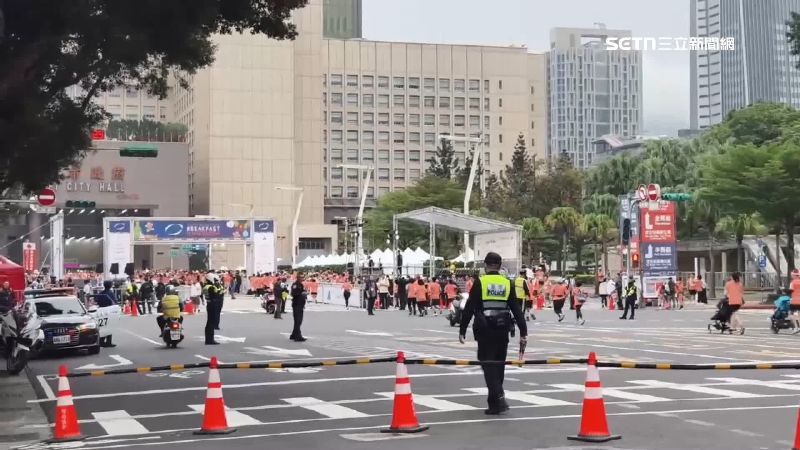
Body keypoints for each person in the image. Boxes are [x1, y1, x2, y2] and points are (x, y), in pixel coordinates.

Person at [458, 252, 527, 415]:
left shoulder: (481, 282)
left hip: (485, 329)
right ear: (500, 265)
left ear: (485, 265)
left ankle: (499, 396)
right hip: (503, 328)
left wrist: (462, 330)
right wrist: (523, 331)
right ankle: (494, 403)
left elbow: (469, 307)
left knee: (487, 362)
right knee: (498, 364)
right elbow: (516, 309)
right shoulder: (506, 282)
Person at [203, 273, 224, 345]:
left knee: (209, 322)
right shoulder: (211, 287)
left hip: (209, 304)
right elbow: (215, 296)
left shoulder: (206, 286)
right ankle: (210, 340)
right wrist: (219, 293)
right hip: (213, 304)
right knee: (211, 323)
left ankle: (208, 339)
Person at [289, 273, 308, 341]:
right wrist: (301, 293)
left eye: (303, 277)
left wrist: (304, 293)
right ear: (298, 278)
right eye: (301, 277)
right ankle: (298, 336)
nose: (302, 278)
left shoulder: (301, 285)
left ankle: (293, 335)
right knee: (298, 321)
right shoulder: (295, 285)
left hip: (300, 304)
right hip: (297, 304)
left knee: (298, 321)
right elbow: (293, 293)